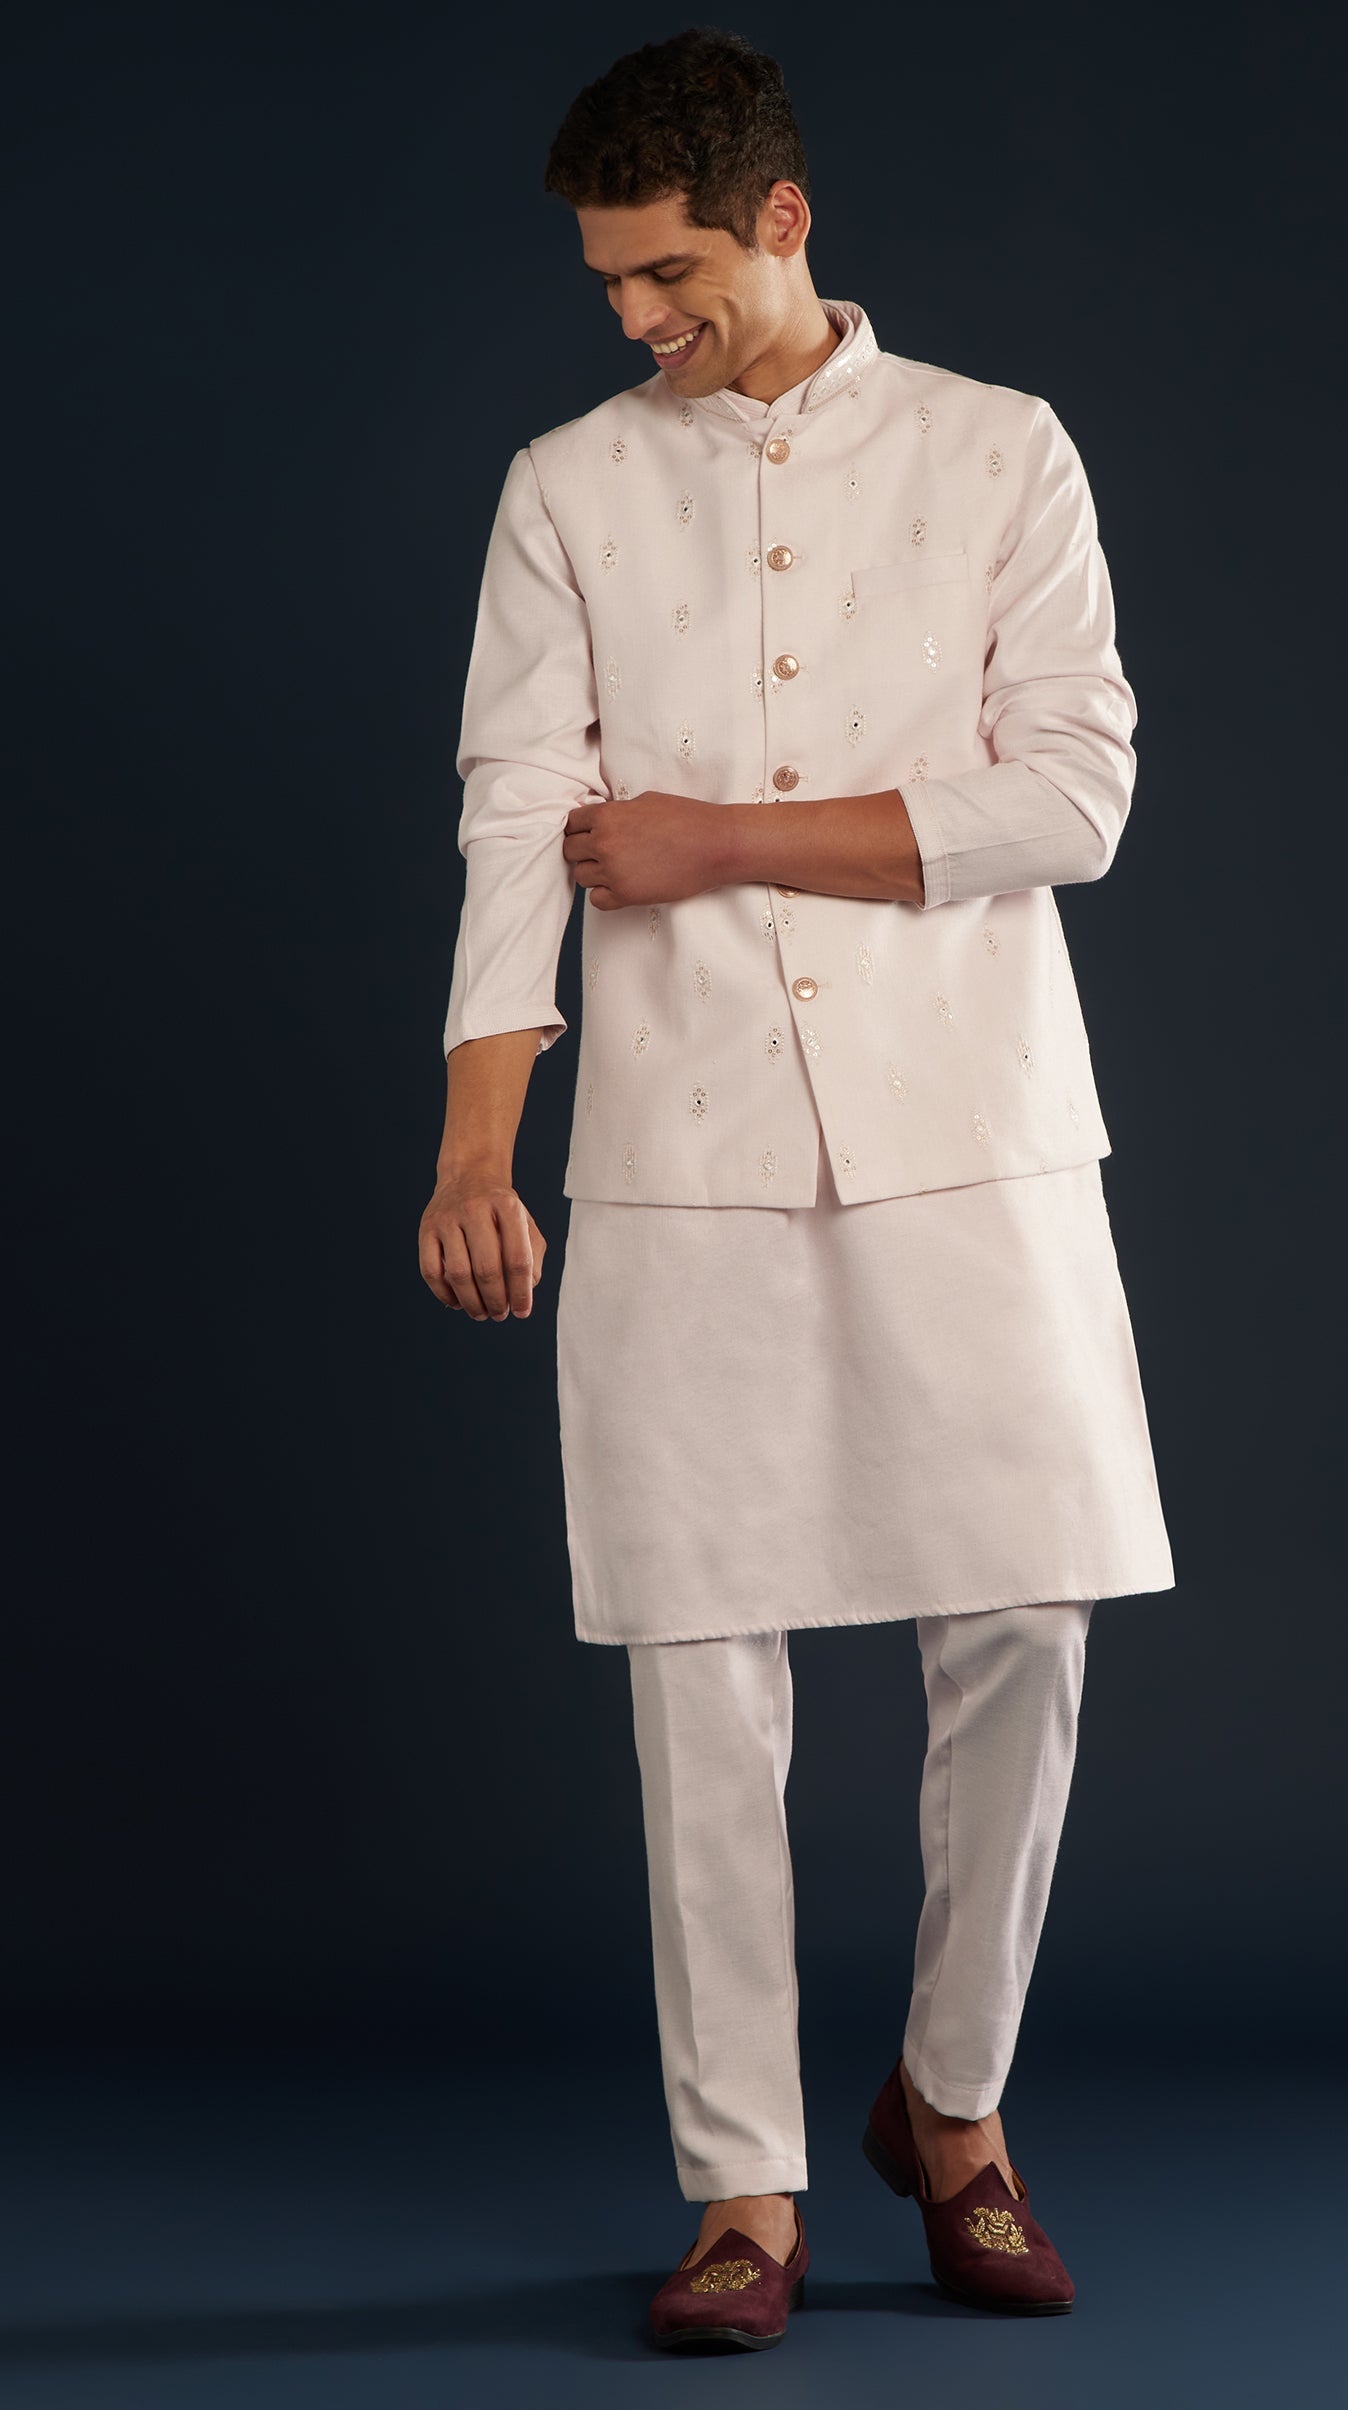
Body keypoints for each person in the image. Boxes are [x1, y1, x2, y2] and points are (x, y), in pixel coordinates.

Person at [418, 27, 1174, 2356]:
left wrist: (719, 838)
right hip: (681, 1143)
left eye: (666, 274)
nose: (634, 319)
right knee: (700, 1662)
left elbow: (1072, 797)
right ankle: (743, 2176)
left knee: (1026, 1616)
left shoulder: (997, 448)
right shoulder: (566, 488)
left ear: (782, 220)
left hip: (977, 1123)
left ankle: (954, 2104)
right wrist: (477, 1144)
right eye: (605, 285)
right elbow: (513, 818)